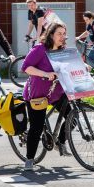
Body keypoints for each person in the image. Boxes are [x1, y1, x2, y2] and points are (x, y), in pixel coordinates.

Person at [21, 22, 73, 171]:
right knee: (36, 127)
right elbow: (26, 67)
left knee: (73, 117)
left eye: (64, 34)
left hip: (57, 92)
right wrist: (46, 74)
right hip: (37, 93)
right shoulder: (40, 49)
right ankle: (29, 159)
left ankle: (60, 141)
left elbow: (70, 65)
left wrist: (83, 67)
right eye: (59, 34)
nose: (63, 37)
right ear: (51, 35)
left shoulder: (63, 51)